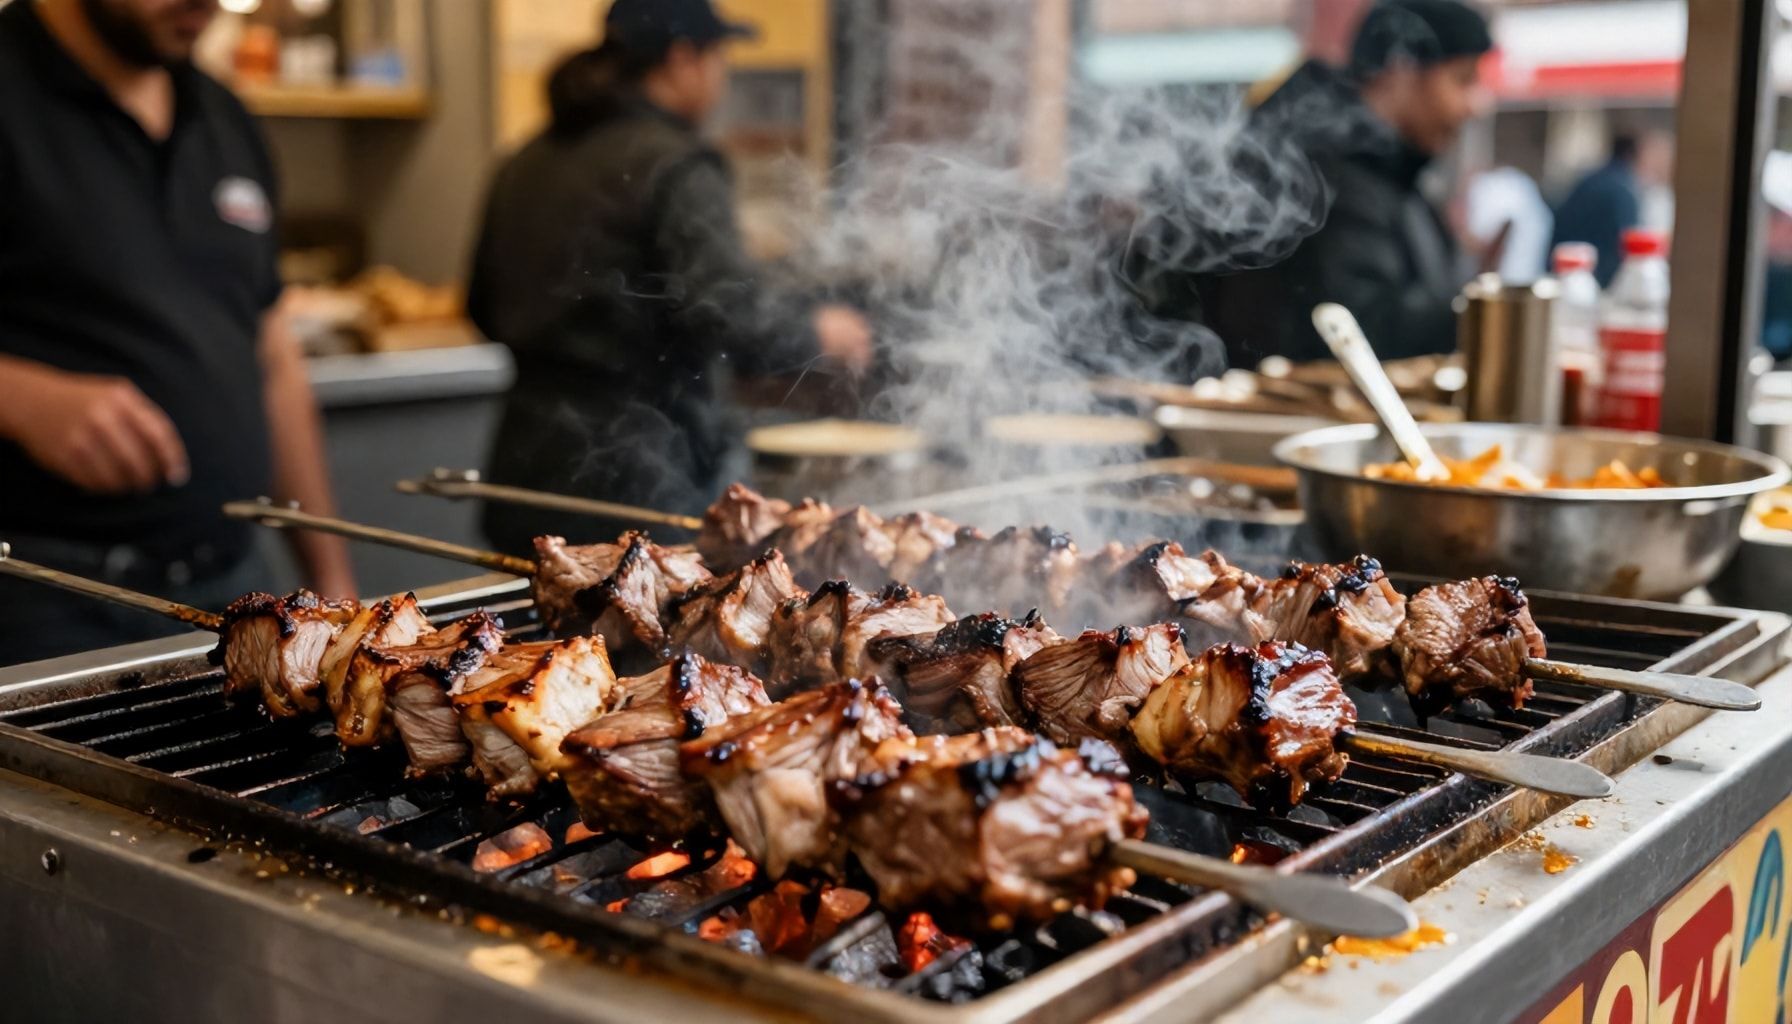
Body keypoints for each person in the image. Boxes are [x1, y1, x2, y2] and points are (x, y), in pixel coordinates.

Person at [0, 0, 353, 666]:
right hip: (46, 596)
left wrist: (331, 579)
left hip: (239, 588)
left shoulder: (225, 116)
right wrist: (21, 398)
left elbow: (271, 355)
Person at [467, 0, 874, 554]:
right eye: (717, 58)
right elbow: (729, 312)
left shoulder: (525, 160)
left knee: (526, 641)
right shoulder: (680, 163)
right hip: (644, 483)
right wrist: (818, 334)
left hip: (527, 473)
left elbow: (481, 308)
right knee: (648, 636)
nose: (720, 78)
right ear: (683, 58)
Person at [1201, 0, 1493, 365]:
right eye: (1462, 79)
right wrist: (1482, 311)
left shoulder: (1397, 171)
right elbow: (1357, 333)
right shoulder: (1323, 173)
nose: (1476, 105)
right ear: (1400, 69)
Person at [1551, 131, 1676, 288]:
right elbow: (1625, 249)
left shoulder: (1596, 178)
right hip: (1586, 281)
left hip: (1564, 275)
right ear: (1639, 153)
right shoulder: (1621, 192)